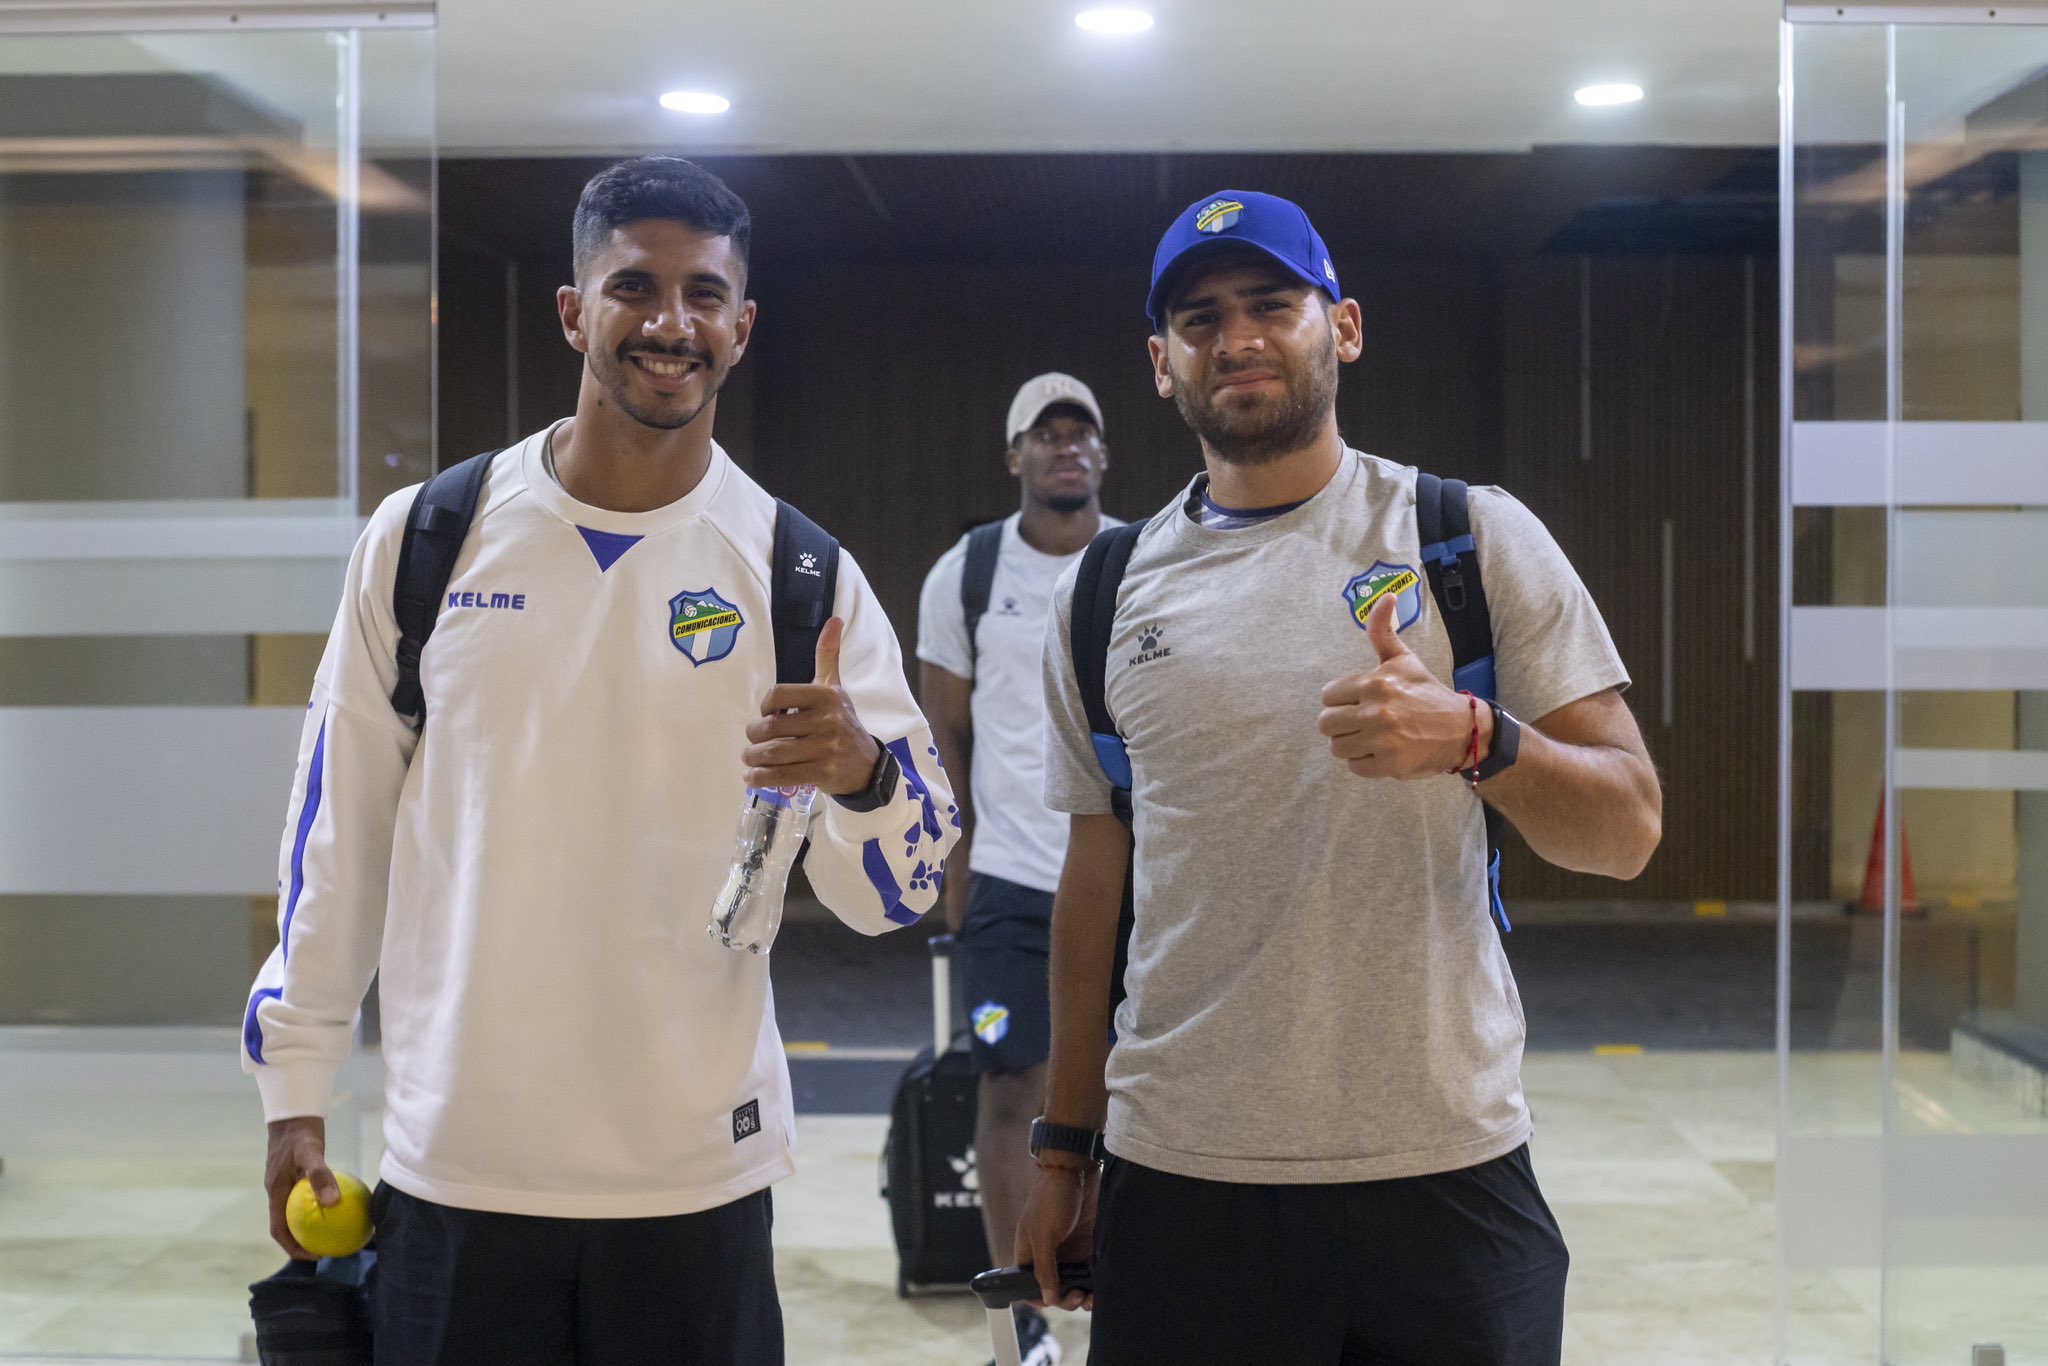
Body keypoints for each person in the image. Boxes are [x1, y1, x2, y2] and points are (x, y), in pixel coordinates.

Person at [242, 156, 956, 1366]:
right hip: (459, 1166)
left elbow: (895, 892)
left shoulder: (799, 574)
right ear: (575, 310)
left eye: (701, 293)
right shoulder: (426, 539)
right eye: (634, 285)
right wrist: (294, 1081)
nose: (669, 322)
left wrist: (862, 777)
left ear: (741, 325)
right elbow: (335, 836)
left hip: (695, 1178)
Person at [1015, 190, 1662, 1365]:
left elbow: (1626, 829)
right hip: (1182, 1173)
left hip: (1442, 1169)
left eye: (1272, 304)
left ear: (1343, 327)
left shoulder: (1466, 537)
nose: (1238, 337)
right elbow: (1093, 877)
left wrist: (1479, 738)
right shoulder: (1102, 593)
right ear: (1160, 364)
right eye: (1200, 318)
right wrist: (1062, 1150)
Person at [916, 373, 1117, 1366]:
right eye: (1044, 433)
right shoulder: (965, 572)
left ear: (1103, 456)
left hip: (1129, 881)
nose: (1065, 447)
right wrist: (953, 876)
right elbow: (941, 735)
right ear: (1014, 458)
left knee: (1130, 1099)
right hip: (1006, 883)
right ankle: (1019, 1319)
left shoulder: (1143, 559)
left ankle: (1122, 1291)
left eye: (1081, 433)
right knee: (1008, 1090)